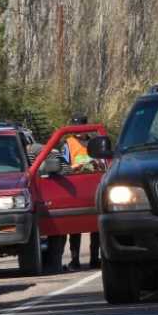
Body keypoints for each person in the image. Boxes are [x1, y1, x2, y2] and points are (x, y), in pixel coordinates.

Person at [60, 115, 100, 271]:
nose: (78, 131)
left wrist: (95, 163)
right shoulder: (67, 144)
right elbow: (63, 165)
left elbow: (102, 161)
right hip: (74, 186)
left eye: (81, 127)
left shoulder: (94, 142)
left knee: (95, 226)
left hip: (92, 185)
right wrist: (74, 168)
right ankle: (75, 260)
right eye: (75, 127)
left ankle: (94, 259)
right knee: (74, 226)